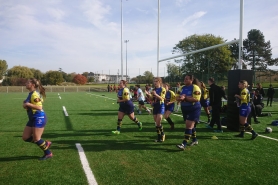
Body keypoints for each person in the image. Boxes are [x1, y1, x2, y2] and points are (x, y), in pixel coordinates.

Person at [22, 78, 52, 160]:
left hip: (39, 117)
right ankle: (45, 143)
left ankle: (48, 153)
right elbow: (29, 105)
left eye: (28, 82)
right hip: (32, 118)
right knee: (25, 137)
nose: (26, 83)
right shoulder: (31, 93)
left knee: (36, 138)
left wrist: (27, 104)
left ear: (33, 85)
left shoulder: (34, 94)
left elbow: (39, 107)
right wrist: (25, 105)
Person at [176, 75, 202, 150]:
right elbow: (176, 97)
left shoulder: (195, 87)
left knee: (188, 126)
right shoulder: (182, 87)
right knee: (191, 126)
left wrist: (185, 97)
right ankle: (195, 140)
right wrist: (181, 98)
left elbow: (196, 99)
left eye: (187, 79)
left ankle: (183, 144)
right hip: (185, 109)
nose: (185, 80)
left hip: (193, 109)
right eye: (184, 79)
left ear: (191, 80)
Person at [145, 77, 166, 142]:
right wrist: (148, 95)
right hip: (155, 107)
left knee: (158, 121)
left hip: (160, 106)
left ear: (160, 82)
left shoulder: (162, 89)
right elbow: (152, 99)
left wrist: (155, 94)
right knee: (156, 124)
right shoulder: (153, 89)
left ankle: (162, 134)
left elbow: (162, 98)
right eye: (154, 81)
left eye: (156, 81)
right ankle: (158, 136)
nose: (155, 83)